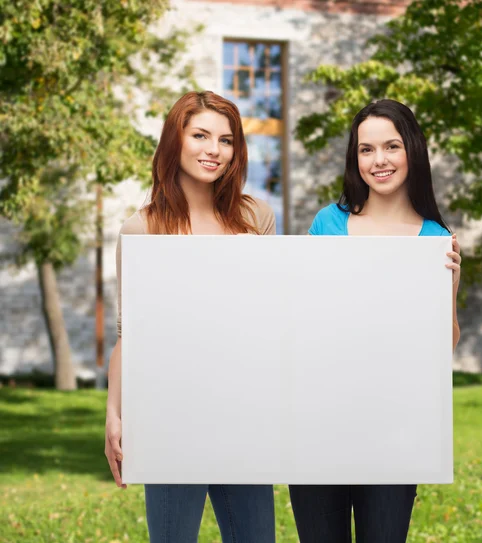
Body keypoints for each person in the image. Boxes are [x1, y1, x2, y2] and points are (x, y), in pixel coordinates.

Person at [104, 91, 276, 543]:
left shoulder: (255, 217)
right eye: (200, 135)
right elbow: (129, 332)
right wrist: (114, 414)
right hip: (168, 412)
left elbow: (272, 318)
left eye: (226, 139)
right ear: (174, 141)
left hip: (244, 410)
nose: (213, 150)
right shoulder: (142, 228)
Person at [289, 99, 462, 543]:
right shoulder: (328, 223)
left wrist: (450, 290)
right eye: (366, 150)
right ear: (355, 158)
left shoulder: (436, 240)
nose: (379, 160)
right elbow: (299, 326)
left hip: (395, 432)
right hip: (318, 426)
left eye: (391, 146)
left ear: (413, 152)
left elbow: (441, 347)